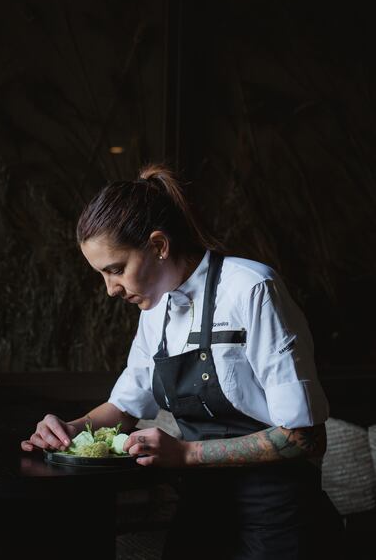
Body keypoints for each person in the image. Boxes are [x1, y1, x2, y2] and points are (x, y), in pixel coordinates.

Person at [21, 163, 345, 559]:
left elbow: (304, 436)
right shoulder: (154, 311)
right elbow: (125, 408)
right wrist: (70, 431)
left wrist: (186, 454)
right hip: (202, 508)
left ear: (158, 245)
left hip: (279, 513)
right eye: (102, 275)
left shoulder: (251, 289)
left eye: (116, 270)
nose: (110, 290)